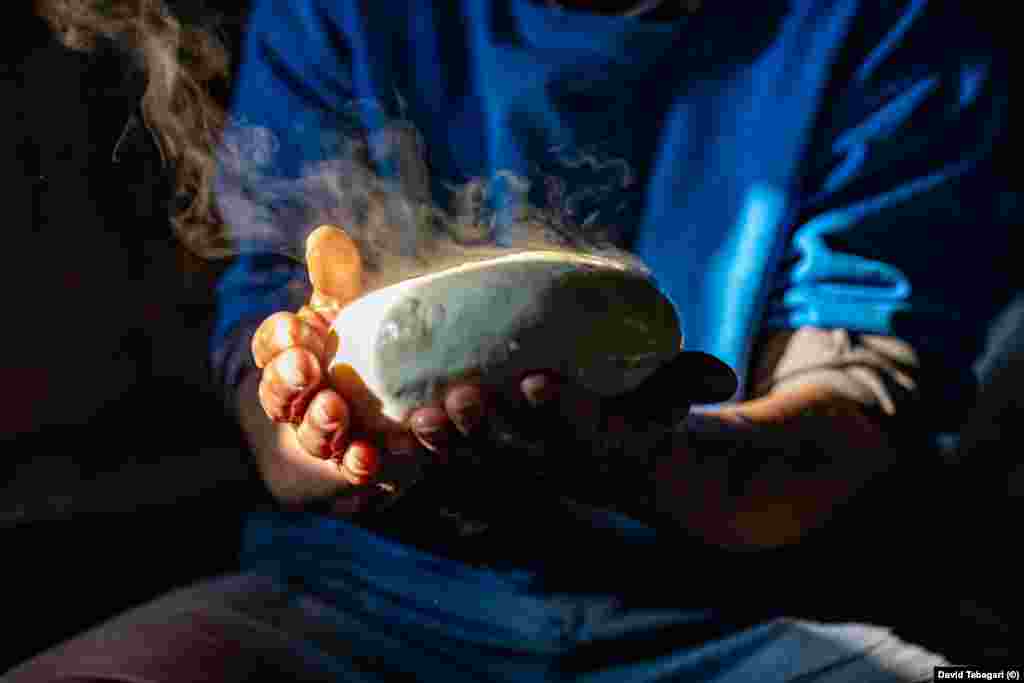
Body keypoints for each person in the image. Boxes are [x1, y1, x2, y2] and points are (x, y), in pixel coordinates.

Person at [7, 0, 1015, 680]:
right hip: (362, 596)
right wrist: (320, 427)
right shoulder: (346, 11)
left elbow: (851, 414)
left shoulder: (884, 28)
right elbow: (273, 352)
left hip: (743, 615)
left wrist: (641, 455)